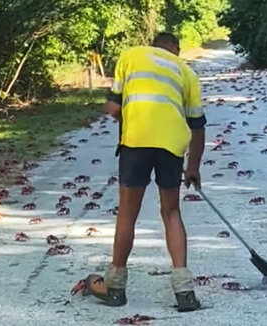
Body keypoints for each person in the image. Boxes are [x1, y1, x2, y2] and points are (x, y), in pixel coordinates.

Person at [88, 32, 206, 312]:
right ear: (175, 49)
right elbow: (198, 127)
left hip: (136, 142)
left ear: (153, 44)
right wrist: (193, 168)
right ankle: (184, 291)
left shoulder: (131, 55)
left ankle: (115, 286)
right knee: (172, 212)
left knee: (128, 213)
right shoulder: (187, 72)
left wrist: (127, 114)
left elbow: (113, 107)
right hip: (171, 147)